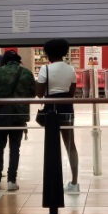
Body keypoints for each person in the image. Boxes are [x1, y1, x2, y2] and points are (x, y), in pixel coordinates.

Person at [0, 50, 36, 191]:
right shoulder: (26, 72)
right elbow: (32, 94)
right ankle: (11, 181)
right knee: (15, 148)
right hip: (19, 116)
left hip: (1, 115)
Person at [36, 38, 79, 193]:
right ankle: (74, 182)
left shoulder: (45, 70)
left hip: (50, 108)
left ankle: (54, 181)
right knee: (70, 144)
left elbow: (39, 94)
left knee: (52, 146)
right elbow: (72, 92)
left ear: (47, 54)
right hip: (67, 107)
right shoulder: (71, 69)